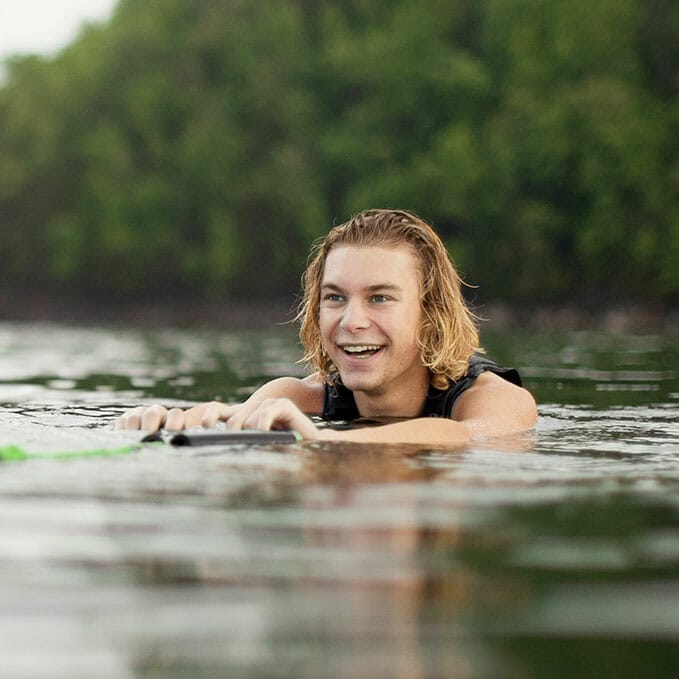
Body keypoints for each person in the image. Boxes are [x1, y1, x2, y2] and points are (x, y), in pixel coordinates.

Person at [116, 209, 537, 446]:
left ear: (431, 313)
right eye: (335, 297)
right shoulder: (296, 396)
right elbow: (236, 422)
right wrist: (176, 422)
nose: (351, 321)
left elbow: (464, 436)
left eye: (380, 298)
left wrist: (328, 442)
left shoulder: (498, 399)